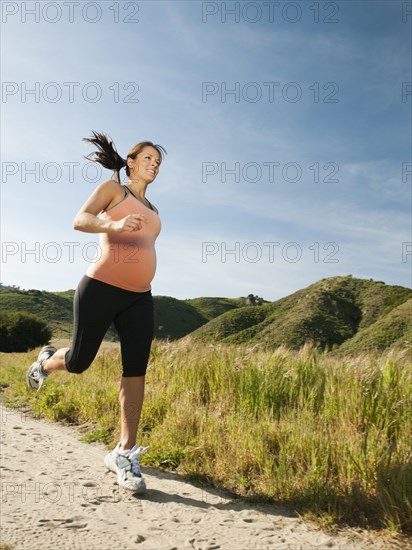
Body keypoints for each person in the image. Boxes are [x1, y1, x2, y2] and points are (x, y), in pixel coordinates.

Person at [26, 131, 166, 494]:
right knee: (78, 361)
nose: (154, 164)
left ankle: (125, 452)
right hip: (100, 288)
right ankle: (44, 363)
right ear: (131, 162)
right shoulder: (113, 190)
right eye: (148, 158)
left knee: (136, 369)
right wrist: (114, 224)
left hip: (140, 297)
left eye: (158, 162)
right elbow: (80, 219)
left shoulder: (153, 210)